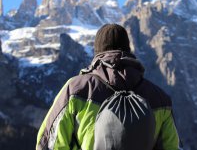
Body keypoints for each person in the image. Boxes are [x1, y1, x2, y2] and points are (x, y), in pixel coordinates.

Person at [36, 23, 181, 150]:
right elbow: (171, 146)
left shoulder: (75, 89)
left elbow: (49, 143)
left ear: (97, 52)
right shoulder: (160, 98)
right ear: (128, 50)